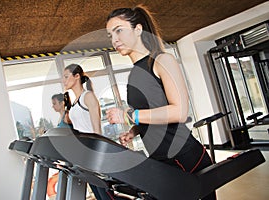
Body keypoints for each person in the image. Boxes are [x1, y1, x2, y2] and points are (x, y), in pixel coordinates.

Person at [105, 5, 216, 200]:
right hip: (160, 159)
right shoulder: (134, 74)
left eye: (119, 31)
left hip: (183, 157)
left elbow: (179, 111)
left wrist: (127, 115)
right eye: (110, 35)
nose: (114, 40)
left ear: (138, 29)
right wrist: (134, 130)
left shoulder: (162, 60)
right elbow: (153, 112)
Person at [63, 64, 126, 200]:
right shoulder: (74, 102)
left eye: (66, 77)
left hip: (93, 152)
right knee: (98, 195)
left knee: (105, 195)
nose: (64, 80)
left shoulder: (88, 96)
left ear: (77, 76)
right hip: (83, 153)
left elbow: (97, 130)